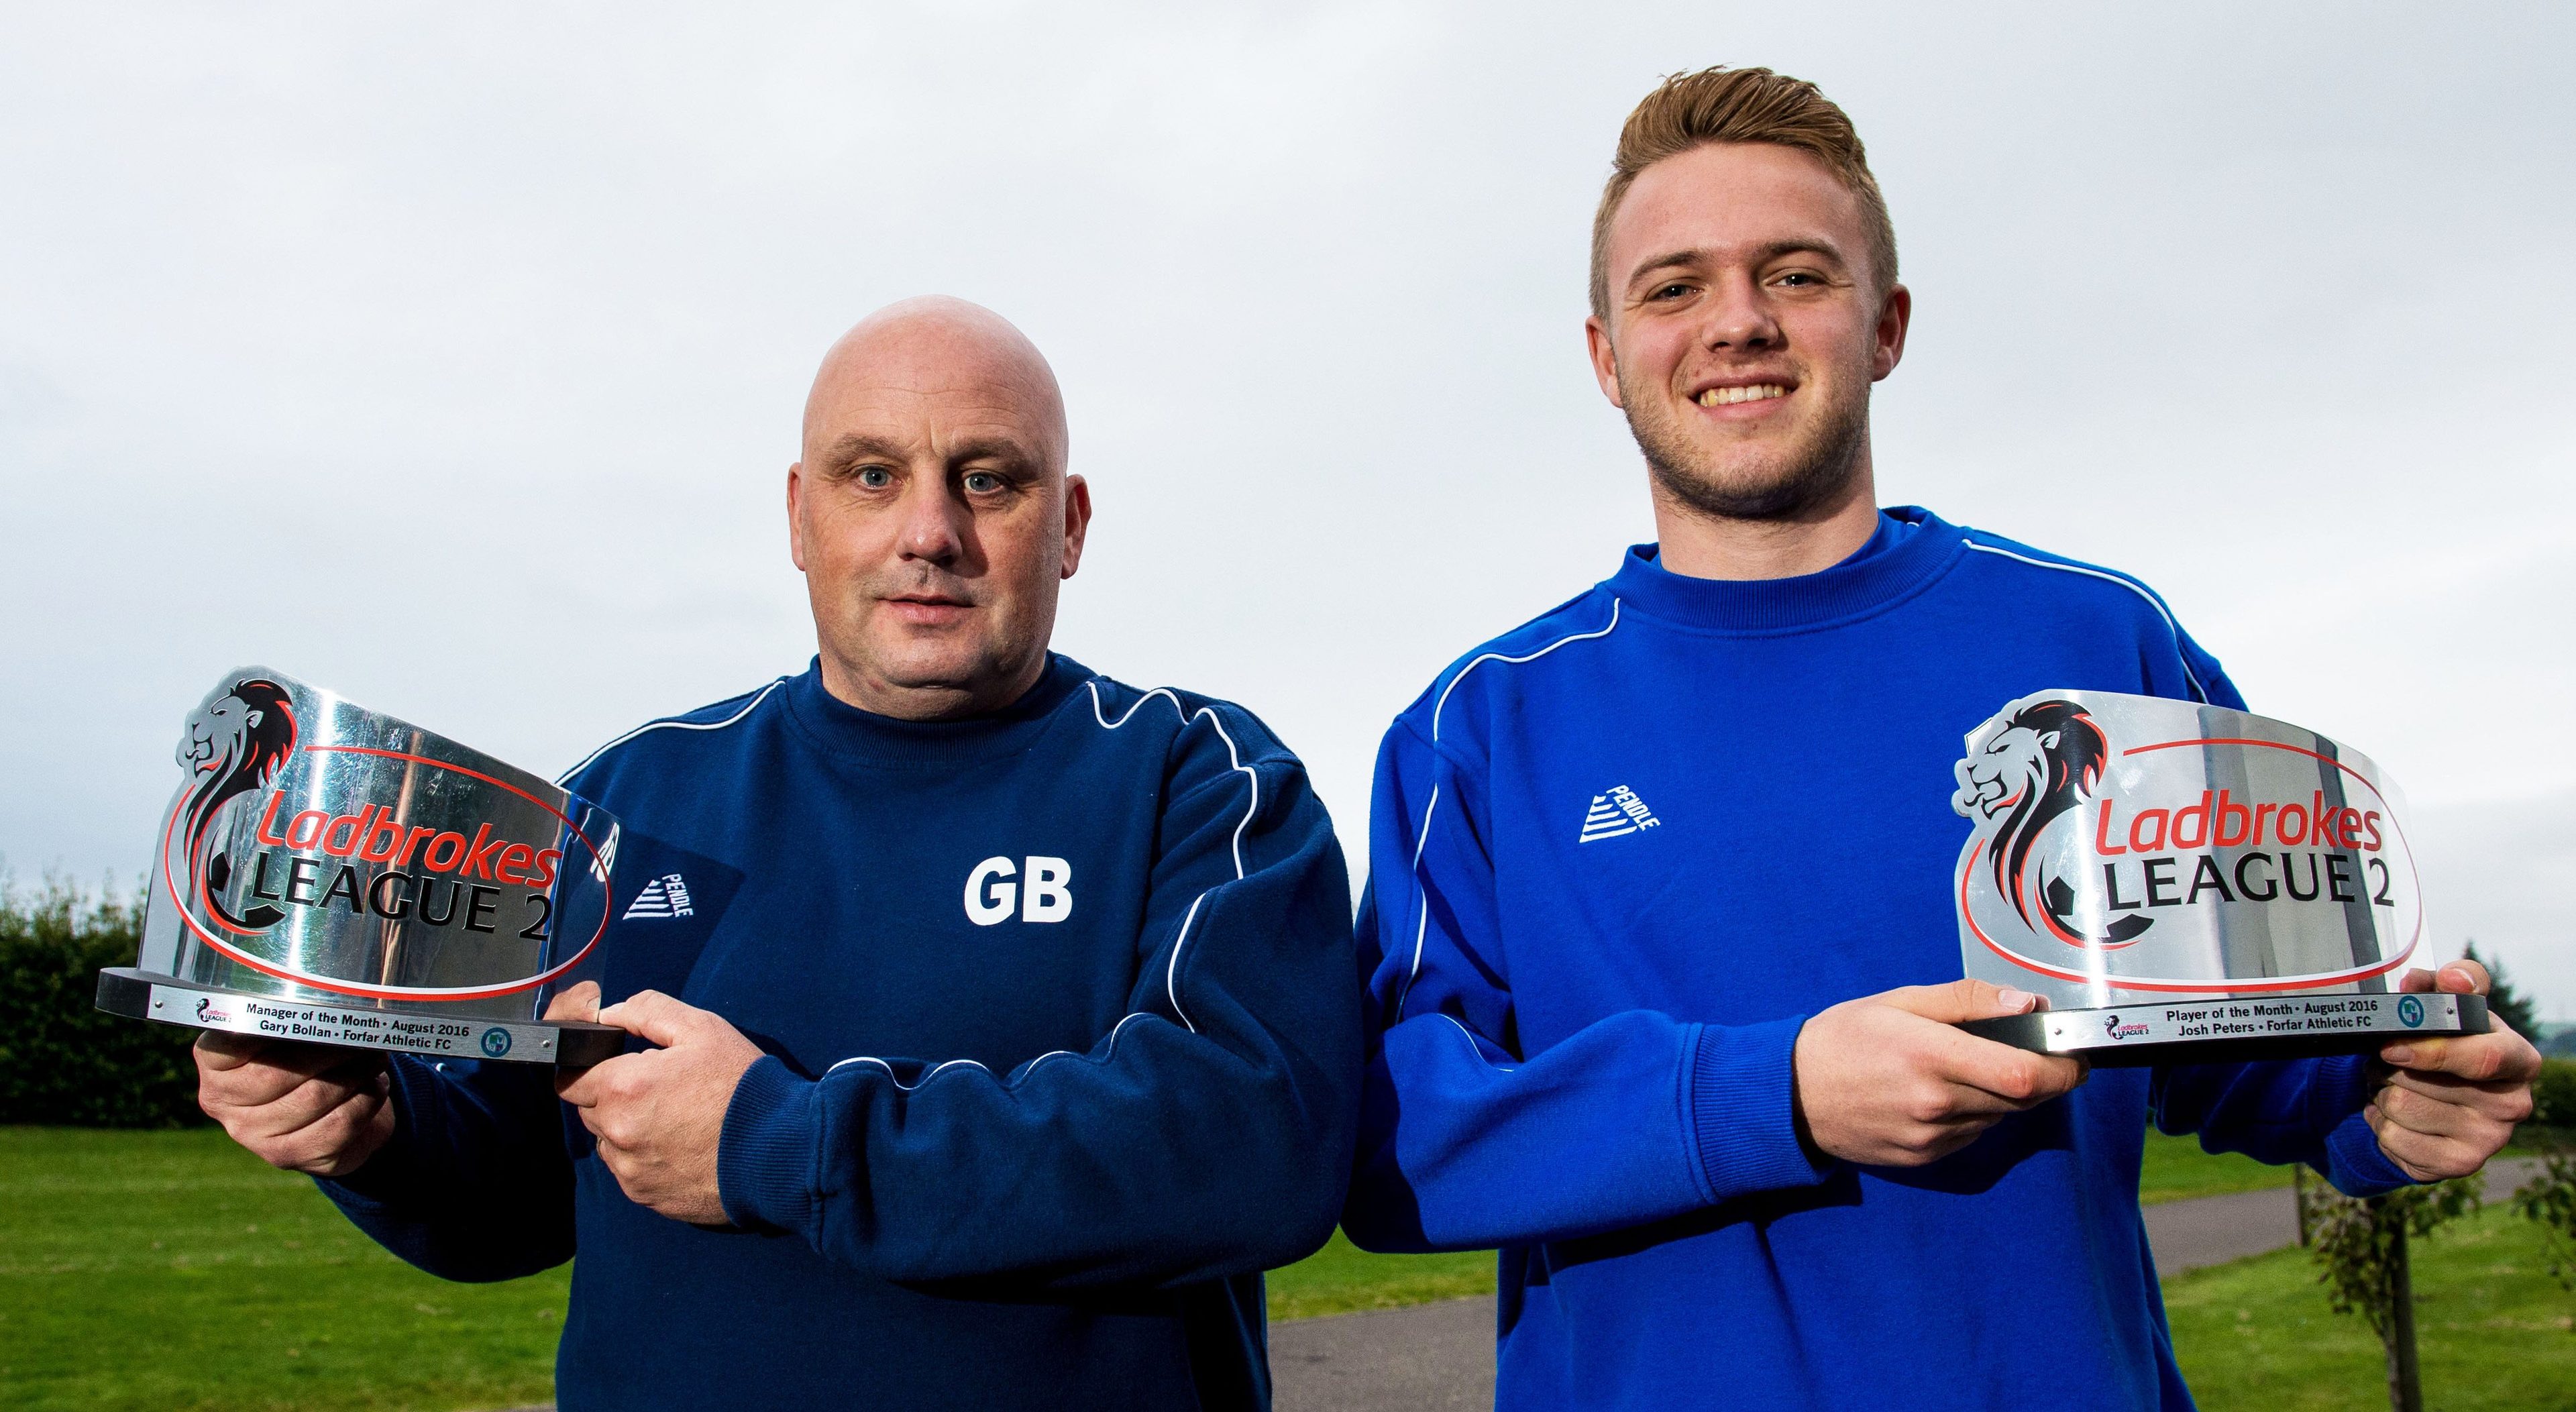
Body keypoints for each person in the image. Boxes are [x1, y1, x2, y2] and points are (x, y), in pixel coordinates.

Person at [1338, 67, 2540, 1410]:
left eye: (1795, 274)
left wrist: (2391, 1103)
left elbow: (2250, 1042)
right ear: (1607, 355)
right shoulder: (1481, 726)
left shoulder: (2099, 647)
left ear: (1887, 323)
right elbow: (1390, 1146)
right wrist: (1777, 1093)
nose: (1736, 323)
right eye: (1673, 287)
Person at [193, 297, 1363, 1411]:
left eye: (988, 479)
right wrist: (374, 1129)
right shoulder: (629, 801)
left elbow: (1254, 1139)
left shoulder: (1195, 779)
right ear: (800, 516)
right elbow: (524, 1185)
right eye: (873, 475)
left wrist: (781, 1142)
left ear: (1068, 525)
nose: (930, 533)